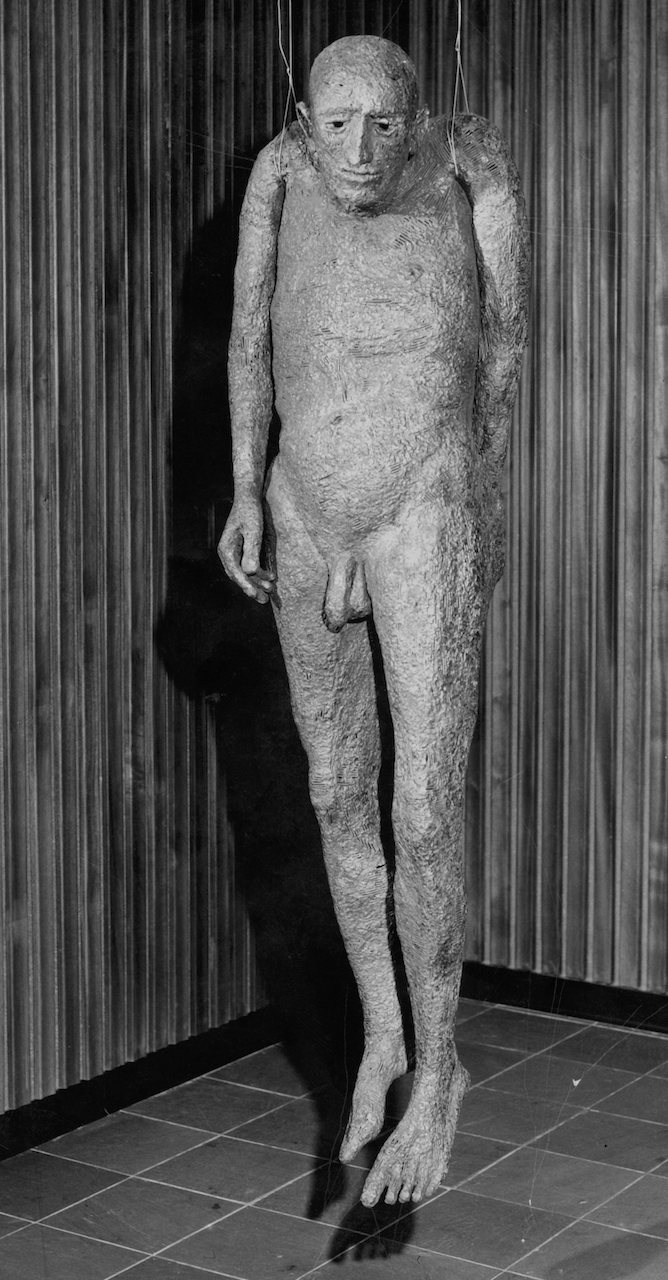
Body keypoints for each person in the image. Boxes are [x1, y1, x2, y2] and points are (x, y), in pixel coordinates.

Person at [218, 34, 530, 1207]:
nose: (358, 150)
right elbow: (250, 333)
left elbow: (503, 345)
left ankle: (439, 1068)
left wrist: (471, 502)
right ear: (305, 121)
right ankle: (383, 1033)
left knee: (422, 803)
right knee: (334, 793)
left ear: (416, 121)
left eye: (383, 127)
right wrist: (245, 489)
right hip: (307, 506)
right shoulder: (279, 172)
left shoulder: (471, 172)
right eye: (337, 125)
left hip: (420, 506)